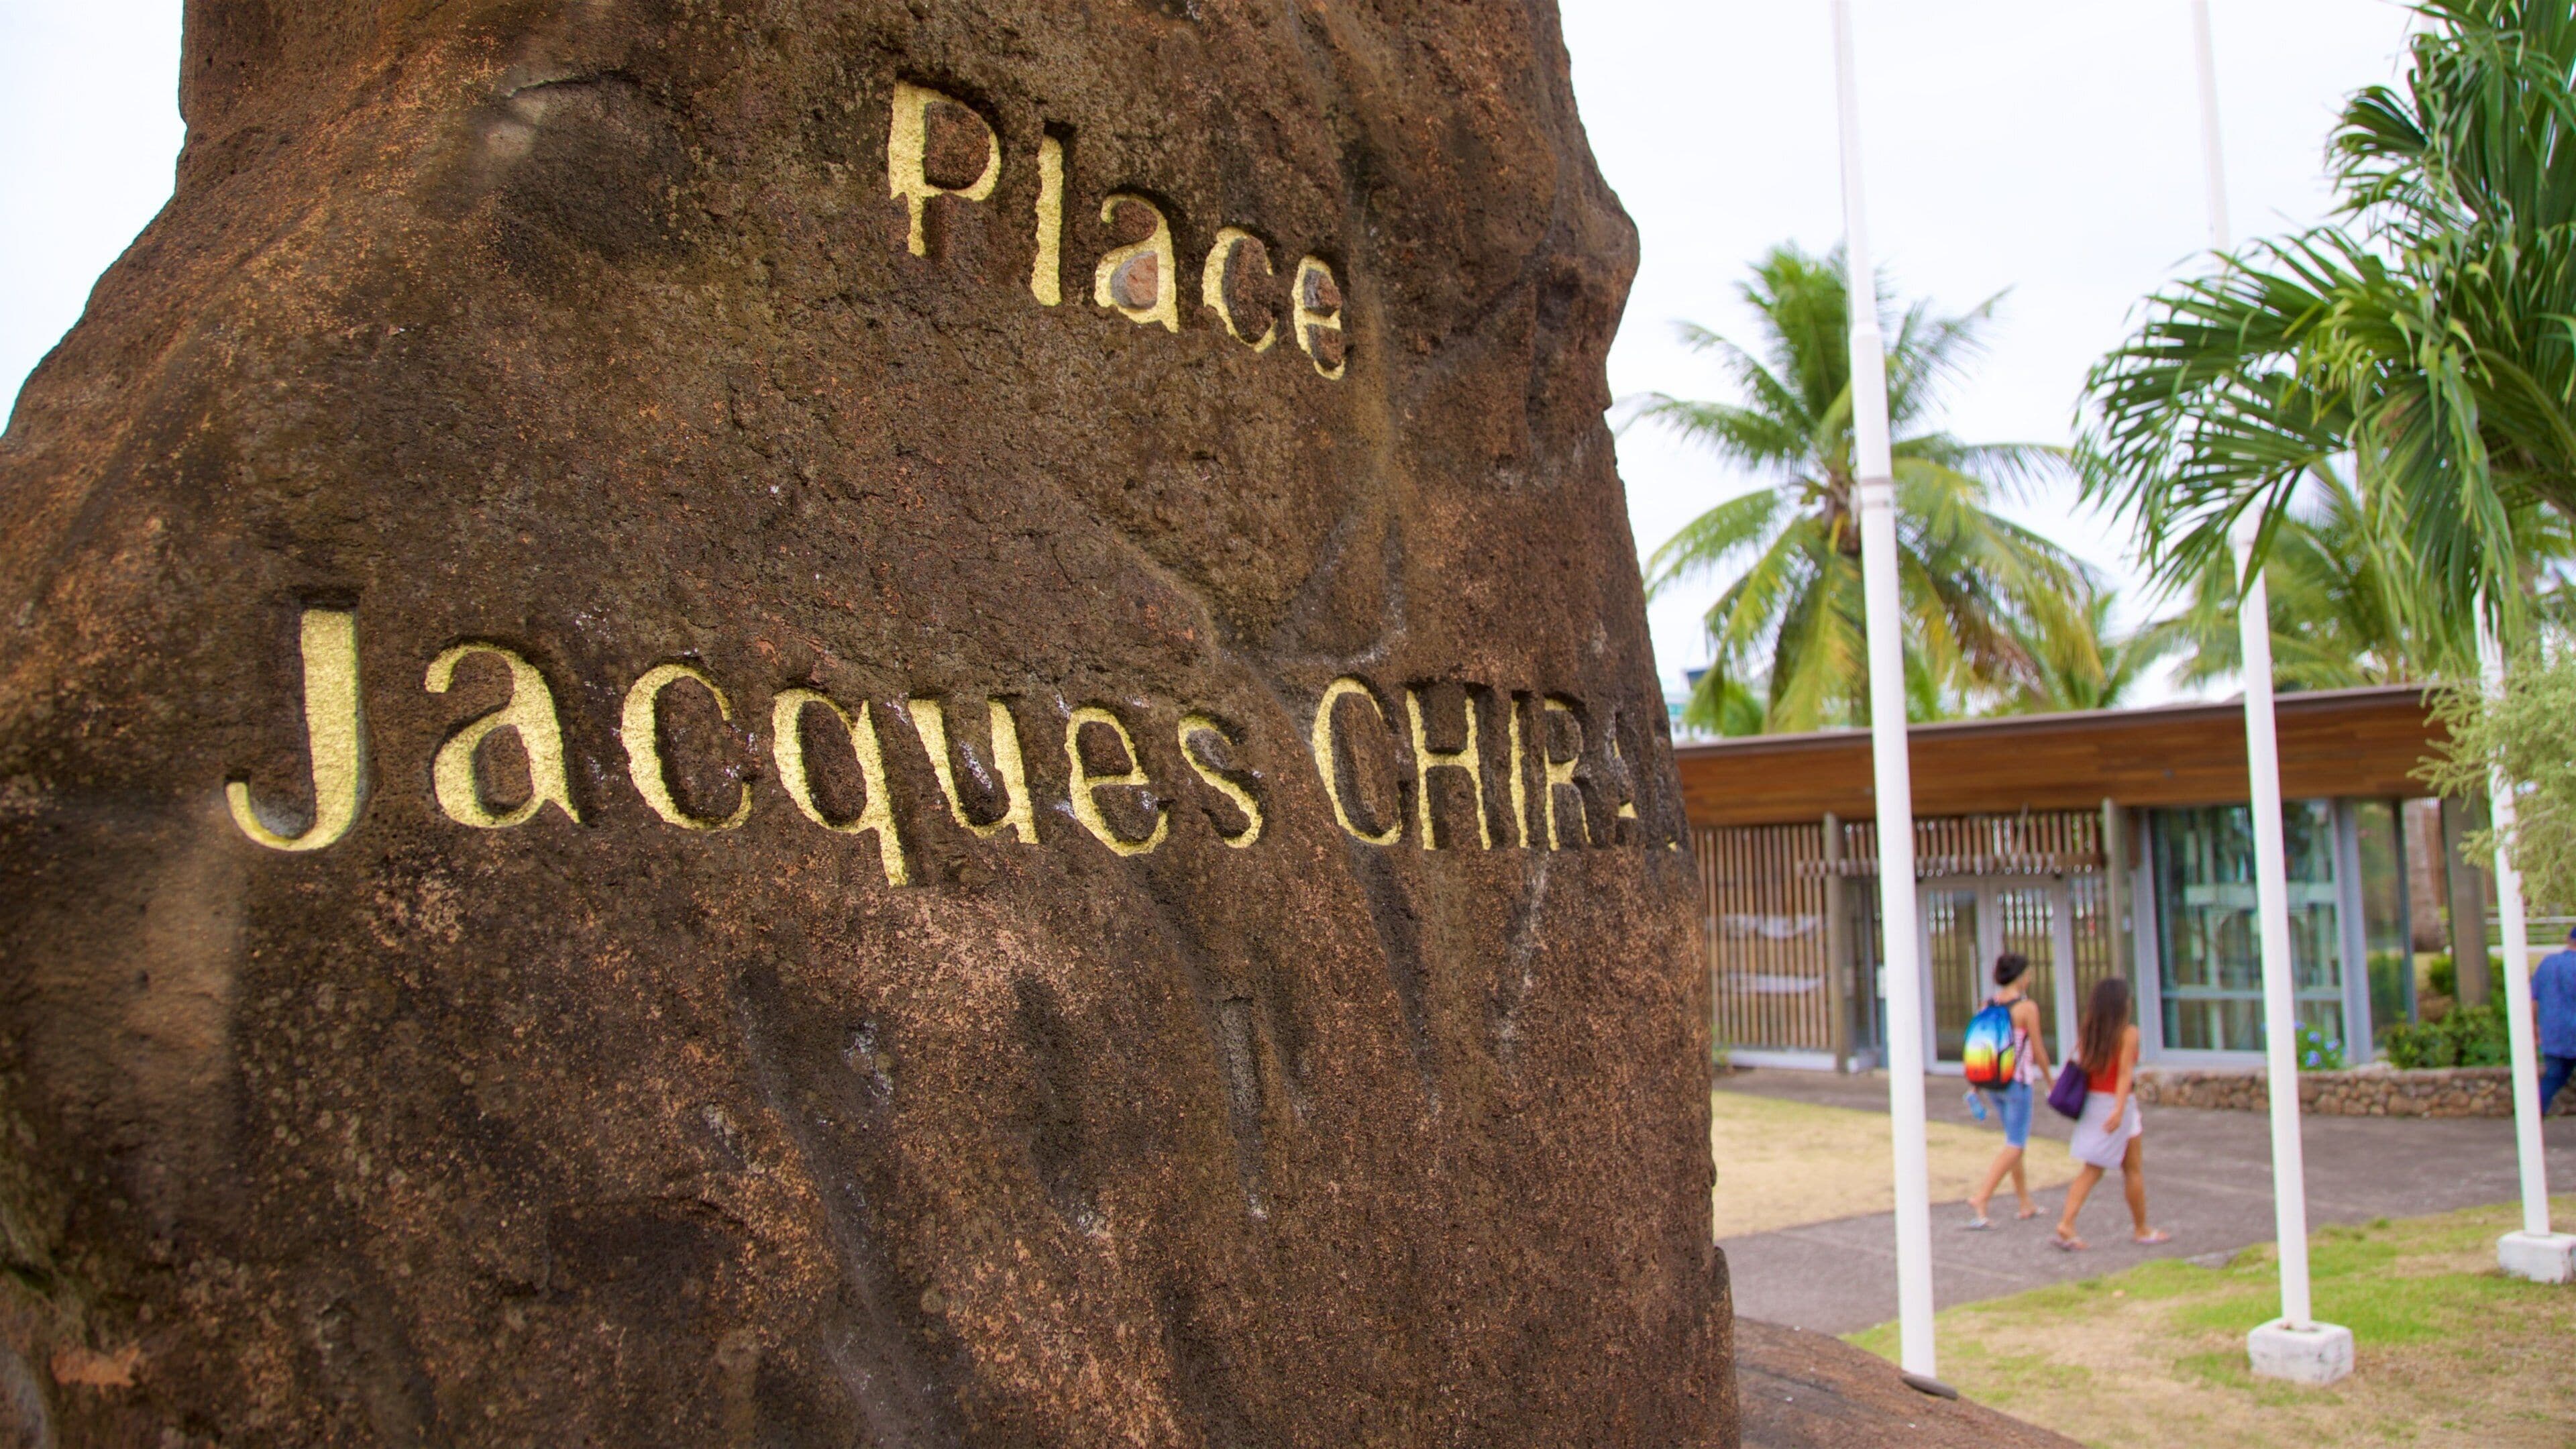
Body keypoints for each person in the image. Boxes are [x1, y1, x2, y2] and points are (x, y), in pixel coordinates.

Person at [2053, 977, 2168, 1251]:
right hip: (2117, 1104)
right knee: (2127, 1169)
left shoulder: (2090, 1031)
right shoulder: (2128, 1034)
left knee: (2097, 1167)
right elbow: (2124, 1074)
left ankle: (2074, 1222)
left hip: (2093, 1102)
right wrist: (2118, 1110)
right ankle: (2137, 1228)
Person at [1963, 953, 2051, 1229]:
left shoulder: (1987, 1005)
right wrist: (2051, 1080)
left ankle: (2025, 1202)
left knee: (2014, 1142)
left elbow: (1980, 1045)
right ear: (2022, 977)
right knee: (2016, 1144)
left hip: (1992, 1083)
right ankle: (1982, 1197)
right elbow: (2037, 1049)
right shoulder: (2026, 1009)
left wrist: (1976, 1084)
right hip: (2018, 1082)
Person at [2535, 925, 2576, 1113]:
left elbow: (2533, 997)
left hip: (2552, 1032)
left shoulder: (2548, 964)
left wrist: (2535, 1028)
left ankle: (2534, 1116)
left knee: (2554, 1077)